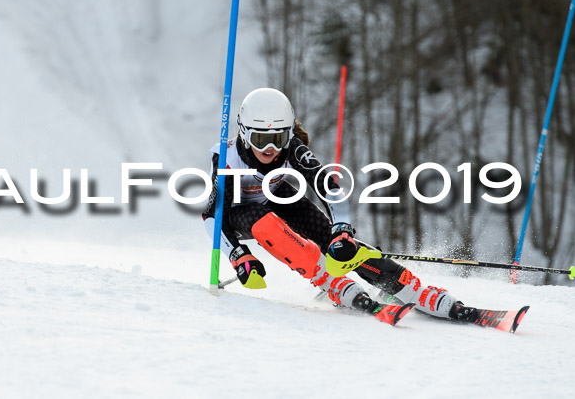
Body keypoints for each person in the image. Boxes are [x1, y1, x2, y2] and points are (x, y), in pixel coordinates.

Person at [202, 87, 476, 322]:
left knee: (336, 243)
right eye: (261, 139)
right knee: (265, 222)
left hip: (276, 195)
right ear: (244, 133)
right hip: (238, 212)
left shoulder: (292, 148)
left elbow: (328, 188)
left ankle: (408, 288)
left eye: (278, 138)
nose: (270, 149)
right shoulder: (226, 158)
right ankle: (330, 282)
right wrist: (238, 255)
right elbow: (211, 215)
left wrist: (342, 230)